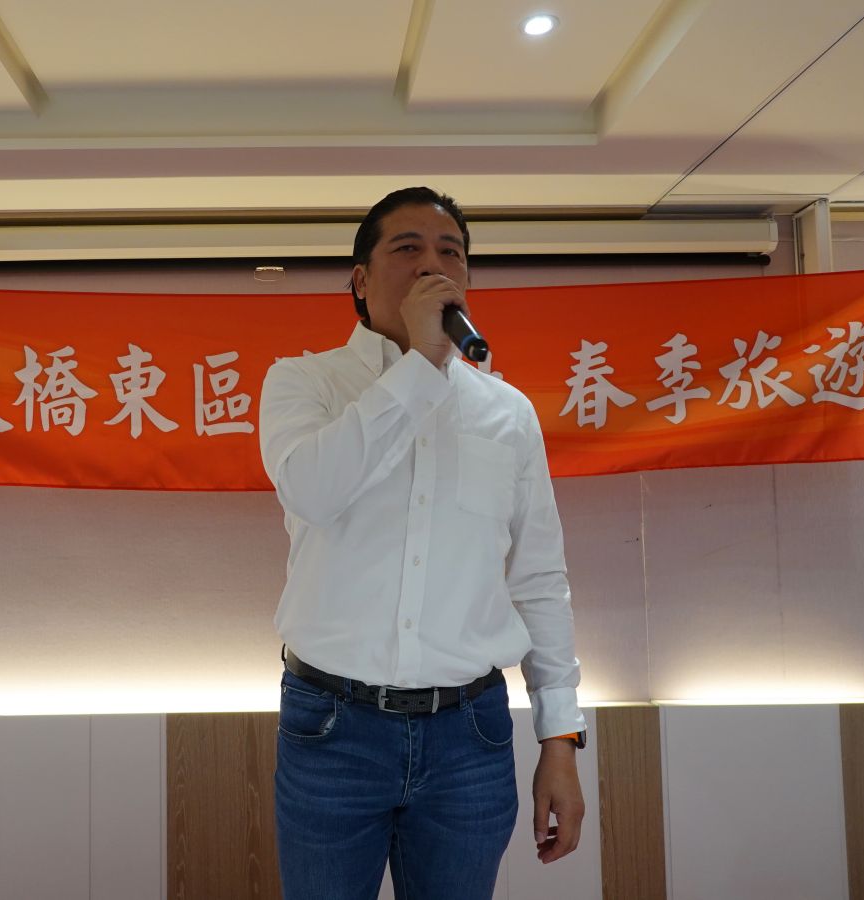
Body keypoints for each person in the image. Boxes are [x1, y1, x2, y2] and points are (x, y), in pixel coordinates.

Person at [258, 186, 586, 900]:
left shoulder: (507, 413)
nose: (433, 265)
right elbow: (312, 490)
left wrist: (559, 740)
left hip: (470, 735)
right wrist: (421, 367)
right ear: (360, 280)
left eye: (451, 253)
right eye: (407, 249)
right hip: (332, 727)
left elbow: (538, 579)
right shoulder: (304, 383)